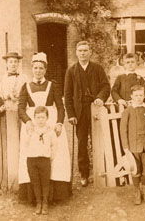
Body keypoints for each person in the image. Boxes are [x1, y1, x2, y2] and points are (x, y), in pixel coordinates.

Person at [18, 52, 71, 204]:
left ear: (45, 70)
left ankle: (55, 195)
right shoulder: (26, 87)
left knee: (55, 155)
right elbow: (21, 108)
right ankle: (34, 196)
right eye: (35, 68)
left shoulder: (52, 85)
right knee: (32, 155)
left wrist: (59, 123)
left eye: (41, 68)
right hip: (32, 124)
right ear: (32, 69)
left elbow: (60, 107)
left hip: (51, 122)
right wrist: (27, 121)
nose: (38, 71)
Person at [64, 41, 110, 187]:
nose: (83, 53)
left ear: (90, 52)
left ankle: (101, 170)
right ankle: (84, 174)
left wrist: (100, 98)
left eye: (85, 50)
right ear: (76, 52)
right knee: (82, 143)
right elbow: (67, 94)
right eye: (80, 50)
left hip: (95, 108)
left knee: (99, 140)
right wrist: (71, 114)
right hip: (80, 111)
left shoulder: (97, 69)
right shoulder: (71, 71)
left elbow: (105, 86)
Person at [120, 85, 145, 205]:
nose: (139, 98)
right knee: (136, 169)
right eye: (136, 95)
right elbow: (123, 130)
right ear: (131, 96)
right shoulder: (128, 111)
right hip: (134, 145)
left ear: (144, 96)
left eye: (141, 95)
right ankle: (137, 191)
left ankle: (144, 189)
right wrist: (126, 147)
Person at [25, 106, 56, 215]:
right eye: (38, 118)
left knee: (45, 182)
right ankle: (38, 202)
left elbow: (54, 146)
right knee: (35, 182)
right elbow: (26, 144)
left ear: (47, 118)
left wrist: (50, 157)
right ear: (34, 118)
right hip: (32, 160)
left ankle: (45, 203)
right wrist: (29, 134)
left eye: (43, 117)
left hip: (44, 160)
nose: (40, 120)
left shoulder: (50, 131)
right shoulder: (31, 130)